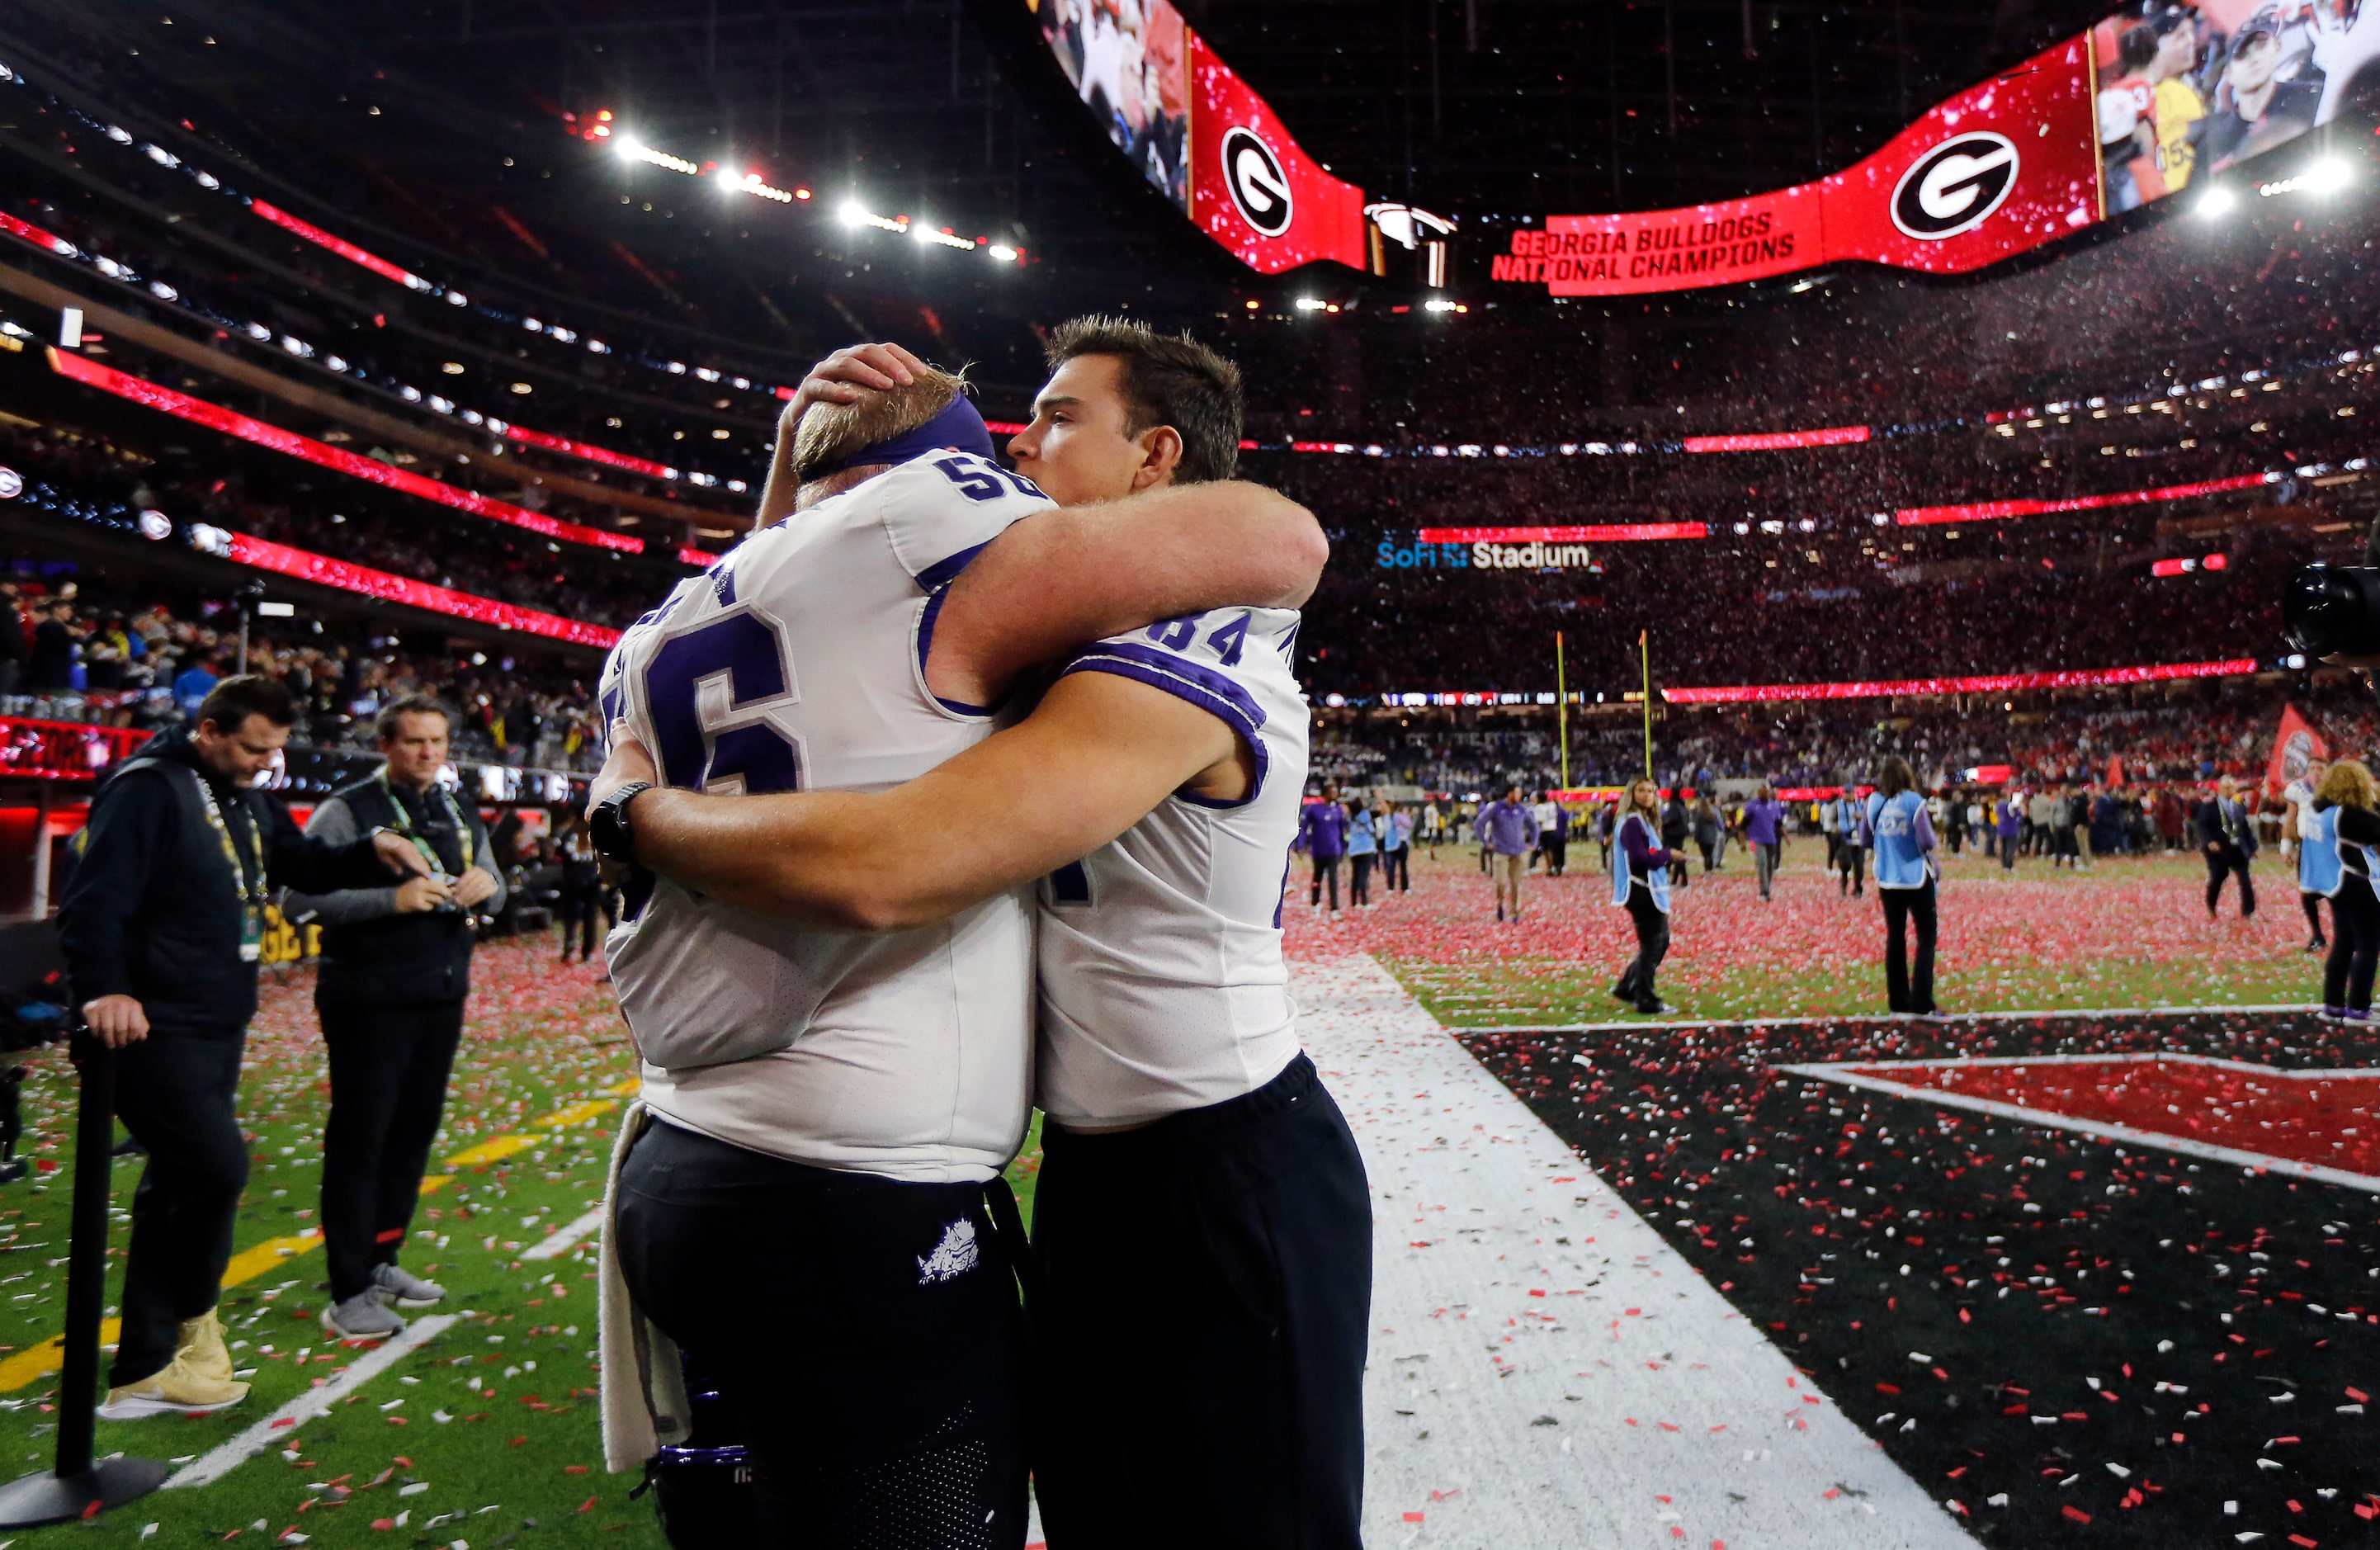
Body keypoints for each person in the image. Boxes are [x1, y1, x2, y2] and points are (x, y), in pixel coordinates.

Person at [597, 322, 1364, 1548]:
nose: (1020, 436)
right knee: (1111, 1513)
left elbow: (902, 856)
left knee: (1240, 1521)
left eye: (1060, 416)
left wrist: (637, 814)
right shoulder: (1048, 634)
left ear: (1156, 458)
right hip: (1102, 1160)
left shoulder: (1192, 640)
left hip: (1221, 1159)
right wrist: (796, 474)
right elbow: (803, 622)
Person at [58, 676, 427, 1417]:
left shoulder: (243, 795)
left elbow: (300, 861)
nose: (268, 762)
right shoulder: (148, 790)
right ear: (211, 731)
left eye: (276, 748)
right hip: (151, 1024)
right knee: (213, 1169)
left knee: (179, 1186)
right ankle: (174, 1347)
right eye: (256, 747)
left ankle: (148, 1365)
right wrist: (103, 990)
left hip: (215, 1018)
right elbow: (93, 900)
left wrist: (371, 847)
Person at [281, 697, 503, 1340]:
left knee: (411, 1136)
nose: (429, 753)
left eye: (437, 741)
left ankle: (382, 1259)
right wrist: (393, 899)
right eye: (414, 742)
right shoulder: (348, 808)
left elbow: (495, 880)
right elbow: (297, 898)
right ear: (386, 745)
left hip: (440, 992)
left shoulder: (457, 805)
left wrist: (489, 887)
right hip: (368, 998)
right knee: (362, 1139)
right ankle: (347, 1288)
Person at [1862, 756, 1941, 1018]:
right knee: (1926, 938)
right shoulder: (1914, 801)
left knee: (1895, 938)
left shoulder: (1874, 801)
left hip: (1887, 877)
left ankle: (1898, 1001)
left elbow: (1865, 838)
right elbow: (1927, 841)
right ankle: (1922, 1001)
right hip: (1915, 876)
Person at [2308, 759, 2380, 1021]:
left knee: (2344, 943)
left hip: (2335, 885)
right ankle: (2359, 1007)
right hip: (2359, 883)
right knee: (2368, 946)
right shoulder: (2351, 815)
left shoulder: (2321, 810)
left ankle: (2333, 1004)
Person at [2203, 17, 2322, 172]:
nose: (2254, 59)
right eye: (2242, 55)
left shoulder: (2312, 97)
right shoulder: (2216, 139)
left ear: (2277, 48)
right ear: (2229, 74)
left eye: (2262, 46)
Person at [1609, 777, 1675, 1016]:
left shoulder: (1640, 821)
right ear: (1631, 793)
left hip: (1644, 890)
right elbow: (1639, 858)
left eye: (1650, 791)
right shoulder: (1632, 822)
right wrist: (1667, 855)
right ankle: (1645, 998)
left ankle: (1627, 986)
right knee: (1654, 944)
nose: (1647, 795)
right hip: (1641, 891)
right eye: (1641, 790)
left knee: (1657, 942)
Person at [2285, 756, 2334, 953]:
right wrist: (2285, 845)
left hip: (2331, 846)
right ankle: (2317, 934)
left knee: (2336, 892)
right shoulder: (2299, 790)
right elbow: (2290, 818)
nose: (2316, 772)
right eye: (2312, 768)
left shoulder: (2336, 790)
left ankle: (2346, 933)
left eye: (2320, 768)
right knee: (2307, 893)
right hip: (2308, 846)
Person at [2198, 774, 2260, 919]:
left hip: (2237, 848)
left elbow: (2244, 828)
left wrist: (2252, 847)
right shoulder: (2210, 806)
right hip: (2219, 849)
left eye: (2231, 787)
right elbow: (2202, 825)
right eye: (2226, 787)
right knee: (2218, 878)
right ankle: (2211, 904)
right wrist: (2209, 841)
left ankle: (2248, 912)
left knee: (2245, 880)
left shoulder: (2238, 806)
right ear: (2219, 789)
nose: (2229, 790)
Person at [1476, 783, 1539, 922]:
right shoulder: (1496, 808)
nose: (1520, 796)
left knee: (1516, 884)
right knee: (1501, 882)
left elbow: (1534, 825)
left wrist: (1533, 843)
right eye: (1517, 793)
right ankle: (1499, 905)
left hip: (1519, 851)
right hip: (1501, 851)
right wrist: (1486, 843)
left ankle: (1515, 912)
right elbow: (1479, 823)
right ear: (1510, 793)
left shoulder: (1522, 809)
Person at [553, 808, 605, 962]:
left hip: (572, 881)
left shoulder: (568, 833)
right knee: (590, 917)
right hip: (592, 881)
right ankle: (587, 951)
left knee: (571, 916)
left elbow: (559, 854)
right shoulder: (596, 833)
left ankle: (569, 946)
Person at [1300, 782, 1348, 913]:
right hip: (1318, 851)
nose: (1335, 794)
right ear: (1325, 793)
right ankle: (1315, 904)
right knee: (1317, 879)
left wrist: (1343, 849)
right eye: (1332, 791)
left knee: (1333, 879)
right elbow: (1304, 827)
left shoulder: (1338, 810)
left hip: (1334, 851)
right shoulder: (1314, 809)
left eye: (1336, 791)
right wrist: (1301, 845)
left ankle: (1334, 908)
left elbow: (1341, 831)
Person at [1743, 782, 1786, 901]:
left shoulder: (1774, 806)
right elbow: (1744, 824)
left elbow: (1778, 823)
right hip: (1758, 839)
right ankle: (1764, 891)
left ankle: (1767, 887)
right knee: (1762, 863)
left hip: (1771, 839)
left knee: (1770, 866)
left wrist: (1785, 836)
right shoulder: (1752, 806)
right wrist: (1742, 840)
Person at [1830, 789, 1866, 897]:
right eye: (1846, 792)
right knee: (1845, 865)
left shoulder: (1860, 804)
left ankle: (1858, 890)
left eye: (1850, 792)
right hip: (1844, 838)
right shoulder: (1838, 805)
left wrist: (1860, 818)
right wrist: (1835, 828)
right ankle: (1844, 888)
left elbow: (1866, 818)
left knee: (1859, 866)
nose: (1848, 795)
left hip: (1858, 838)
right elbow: (1832, 820)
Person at [1346, 796, 1377, 908]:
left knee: (1355, 876)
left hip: (1354, 850)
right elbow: (1371, 829)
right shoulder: (1365, 815)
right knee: (1364, 876)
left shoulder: (1351, 817)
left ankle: (1354, 901)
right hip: (1366, 849)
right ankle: (1364, 901)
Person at [1380, 800, 1413, 893]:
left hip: (1395, 844)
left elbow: (1409, 825)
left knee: (1394, 867)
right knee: (1398, 867)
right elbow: (1409, 825)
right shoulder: (1394, 817)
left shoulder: (1392, 817)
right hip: (1396, 843)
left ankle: (1394, 887)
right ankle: (1401, 887)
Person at [1996, 790, 2022, 872]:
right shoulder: (2010, 805)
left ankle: (2004, 866)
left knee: (2003, 848)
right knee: (2011, 848)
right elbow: (2015, 814)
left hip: (2002, 829)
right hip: (2011, 829)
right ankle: (2009, 865)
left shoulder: (1998, 805)